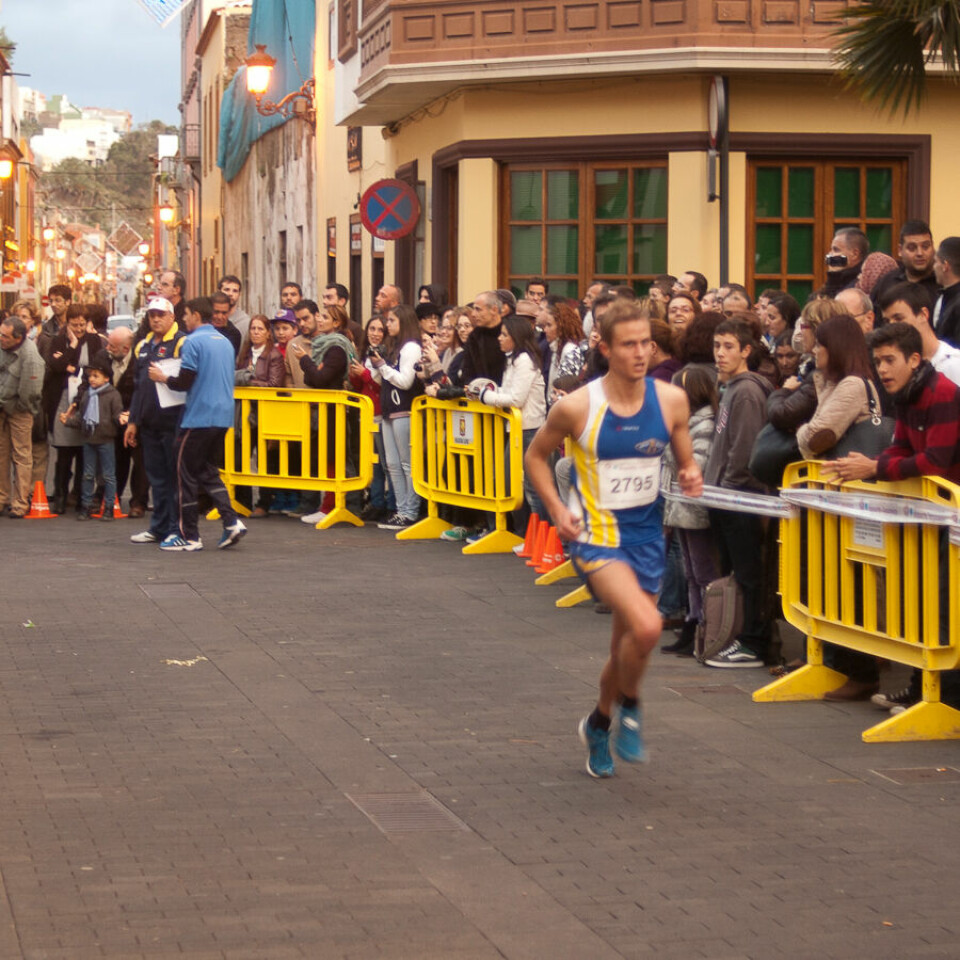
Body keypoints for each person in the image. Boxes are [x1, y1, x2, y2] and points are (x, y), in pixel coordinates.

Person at [525, 299, 702, 778]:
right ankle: (632, 706)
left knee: (628, 644)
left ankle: (600, 722)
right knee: (647, 627)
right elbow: (536, 457)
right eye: (628, 345)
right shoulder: (578, 405)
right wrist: (558, 509)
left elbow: (684, 456)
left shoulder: (671, 400)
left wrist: (689, 472)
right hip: (594, 536)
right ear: (604, 347)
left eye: (646, 342)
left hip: (646, 535)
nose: (640, 353)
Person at [147, 296, 247, 551]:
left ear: (196, 316)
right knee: (207, 470)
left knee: (185, 474)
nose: (183, 318)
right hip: (222, 415)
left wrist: (162, 377)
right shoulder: (223, 341)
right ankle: (231, 521)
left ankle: (188, 534)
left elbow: (184, 381)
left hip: (199, 416)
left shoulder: (193, 341)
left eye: (186, 314)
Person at [702, 319, 774, 668]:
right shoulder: (728, 387)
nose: (720, 353)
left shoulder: (746, 391)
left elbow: (743, 450)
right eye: (717, 346)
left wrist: (727, 487)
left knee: (748, 574)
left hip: (740, 498)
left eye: (729, 346)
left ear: (746, 351)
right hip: (723, 497)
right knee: (733, 570)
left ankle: (754, 642)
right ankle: (736, 635)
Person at [470, 315, 547, 537]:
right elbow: (506, 392)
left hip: (528, 429)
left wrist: (486, 396)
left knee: (530, 488)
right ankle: (521, 533)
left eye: (504, 334)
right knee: (510, 483)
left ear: (516, 336)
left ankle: (537, 537)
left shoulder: (525, 361)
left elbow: (516, 398)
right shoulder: (513, 359)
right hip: (515, 428)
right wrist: (485, 392)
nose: (500, 339)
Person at [660, 365, 719, 656]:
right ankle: (692, 622)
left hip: (694, 507)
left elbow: (696, 464)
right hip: (679, 505)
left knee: (701, 570)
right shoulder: (684, 422)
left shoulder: (704, 424)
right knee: (690, 571)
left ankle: (705, 626)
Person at [125, 297, 186, 545]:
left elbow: (186, 379)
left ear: (172, 317)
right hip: (149, 423)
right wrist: (133, 421)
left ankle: (176, 528)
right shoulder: (143, 345)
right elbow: (138, 387)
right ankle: (158, 527)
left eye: (161, 314)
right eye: (152, 315)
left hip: (173, 421)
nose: (156, 319)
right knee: (157, 477)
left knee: (174, 478)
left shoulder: (181, 342)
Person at [44, 304, 102, 514]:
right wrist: (73, 345)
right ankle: (59, 495)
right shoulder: (59, 340)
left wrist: (73, 368)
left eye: (81, 325)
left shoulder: (95, 340)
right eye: (74, 325)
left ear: (87, 323)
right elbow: (55, 365)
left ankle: (78, 495)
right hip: (63, 398)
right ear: (67, 323)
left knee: (82, 449)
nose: (78, 329)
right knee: (64, 449)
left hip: (86, 398)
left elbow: (97, 367)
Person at [795, 315, 879, 460]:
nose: (814, 351)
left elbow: (814, 439)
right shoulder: (834, 383)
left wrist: (800, 430)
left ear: (835, 348)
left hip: (850, 478)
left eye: (819, 345)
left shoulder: (852, 385)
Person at [370, 304, 422, 530]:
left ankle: (410, 510)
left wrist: (383, 366)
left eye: (391, 321)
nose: (386, 325)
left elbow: (405, 381)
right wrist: (376, 363)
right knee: (392, 463)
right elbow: (381, 379)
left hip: (404, 410)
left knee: (406, 463)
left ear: (403, 322)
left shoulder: (410, 347)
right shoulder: (392, 346)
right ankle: (400, 509)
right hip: (389, 409)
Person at [60, 354, 122, 521]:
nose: (92, 379)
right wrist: (68, 421)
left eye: (96, 376)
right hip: (89, 439)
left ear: (106, 378)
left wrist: (122, 419)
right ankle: (85, 505)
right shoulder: (87, 394)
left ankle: (108, 506)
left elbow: (116, 415)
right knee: (87, 474)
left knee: (108, 475)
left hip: (106, 439)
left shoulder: (113, 395)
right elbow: (81, 416)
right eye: (90, 376)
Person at [350, 317, 395, 523]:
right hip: (366, 414)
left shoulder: (387, 355)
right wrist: (355, 372)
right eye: (372, 329)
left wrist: (366, 374)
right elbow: (360, 387)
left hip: (381, 414)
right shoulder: (364, 355)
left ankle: (392, 504)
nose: (375, 333)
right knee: (373, 463)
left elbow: (384, 386)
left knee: (387, 463)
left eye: (380, 330)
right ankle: (376, 502)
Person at [0, 316, 44, 518]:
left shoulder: (30, 356)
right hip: (2, 408)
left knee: (22, 456)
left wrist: (19, 407)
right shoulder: (2, 347)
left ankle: (20, 502)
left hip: (19, 410)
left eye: (5, 336)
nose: (1, 338)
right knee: (1, 455)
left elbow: (31, 390)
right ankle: (1, 498)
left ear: (18, 338)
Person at [219, 274, 250, 340]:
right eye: (227, 290)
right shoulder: (209, 318)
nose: (230, 294)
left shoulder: (245, 322)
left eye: (235, 291)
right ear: (219, 292)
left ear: (239, 295)